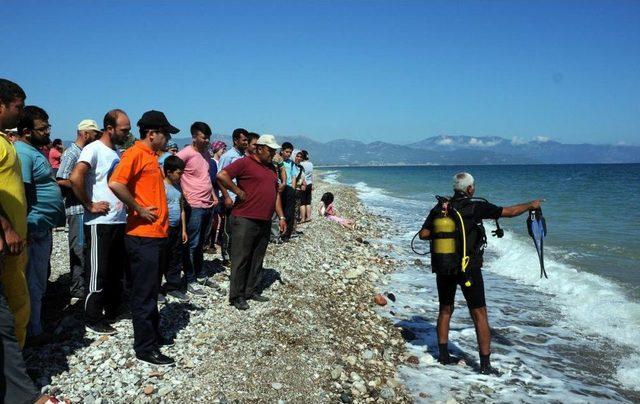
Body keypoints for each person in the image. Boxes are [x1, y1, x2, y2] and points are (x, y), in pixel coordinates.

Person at [418, 172, 543, 375]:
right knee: (479, 315)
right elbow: (510, 212)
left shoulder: (442, 207)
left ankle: (442, 356)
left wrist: (445, 234)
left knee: (445, 310)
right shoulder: (476, 207)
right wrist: (531, 205)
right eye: (472, 186)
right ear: (469, 189)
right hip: (469, 269)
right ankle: (485, 366)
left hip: (445, 266)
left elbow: (424, 234)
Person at [109, 110, 179, 366]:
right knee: (144, 294)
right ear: (152, 134)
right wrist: (138, 208)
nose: (169, 138)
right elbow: (116, 183)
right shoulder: (136, 153)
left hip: (155, 235)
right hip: (143, 237)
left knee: (152, 290)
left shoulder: (151, 156)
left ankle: (153, 335)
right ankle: (145, 348)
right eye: (166, 133)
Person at [70, 109, 130, 335]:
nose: (127, 133)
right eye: (124, 130)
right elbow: (76, 177)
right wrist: (89, 204)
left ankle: (113, 309)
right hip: (99, 222)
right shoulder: (93, 149)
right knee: (98, 270)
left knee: (115, 269)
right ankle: (92, 318)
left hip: (117, 220)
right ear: (110, 128)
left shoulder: (115, 152)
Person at [217, 134, 286, 311]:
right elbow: (222, 175)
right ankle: (236, 296)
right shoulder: (245, 162)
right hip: (245, 218)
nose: (273, 153)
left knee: (257, 257)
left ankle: (251, 290)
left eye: (274, 150)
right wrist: (237, 191)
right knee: (241, 258)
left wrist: (281, 216)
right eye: (270, 150)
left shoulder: (271, 168)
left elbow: (275, 193)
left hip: (265, 219)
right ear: (260, 148)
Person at [15, 106, 65, 344]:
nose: (46, 132)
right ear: (26, 131)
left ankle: (34, 324)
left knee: (39, 278)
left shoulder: (33, 151)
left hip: (41, 227)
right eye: (42, 128)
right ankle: (33, 330)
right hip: (33, 229)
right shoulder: (23, 153)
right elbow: (22, 191)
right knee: (34, 282)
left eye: (48, 127)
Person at [56, 119, 100, 302]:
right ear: (85, 133)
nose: (97, 136)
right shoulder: (72, 153)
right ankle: (77, 287)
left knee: (86, 248)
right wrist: (78, 185)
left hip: (84, 208)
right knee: (79, 249)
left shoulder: (84, 152)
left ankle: (83, 284)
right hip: (76, 209)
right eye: (94, 133)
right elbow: (60, 179)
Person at [0, 78, 30, 348]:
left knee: (18, 304)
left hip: (15, 240)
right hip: (6, 241)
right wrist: (7, 228)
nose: (21, 113)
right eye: (18, 107)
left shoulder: (4, 141)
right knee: (16, 307)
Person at [176, 122, 219, 295]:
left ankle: (200, 274)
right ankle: (190, 278)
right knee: (191, 244)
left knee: (201, 242)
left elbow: (206, 178)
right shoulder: (185, 154)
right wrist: (183, 194)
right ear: (194, 137)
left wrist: (214, 196)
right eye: (203, 137)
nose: (207, 140)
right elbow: (172, 174)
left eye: (208, 137)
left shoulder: (206, 154)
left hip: (208, 204)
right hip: (193, 205)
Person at [160, 155, 189, 303]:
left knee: (175, 258)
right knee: (161, 259)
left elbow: (182, 208)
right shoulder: (162, 187)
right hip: (164, 229)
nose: (180, 176)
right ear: (169, 172)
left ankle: (173, 286)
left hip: (177, 228)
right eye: (179, 173)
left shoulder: (178, 187)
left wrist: (183, 230)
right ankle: (156, 289)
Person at [217, 128, 248, 265]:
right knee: (228, 228)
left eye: (247, 140)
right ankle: (226, 256)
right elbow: (220, 178)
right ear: (236, 140)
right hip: (230, 197)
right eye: (244, 140)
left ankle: (236, 253)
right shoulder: (228, 156)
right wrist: (226, 196)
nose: (246, 142)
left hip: (241, 198)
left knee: (238, 228)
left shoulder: (244, 157)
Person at [278, 142, 297, 240]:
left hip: (289, 189)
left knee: (289, 211)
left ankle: (286, 234)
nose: (288, 154)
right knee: (279, 211)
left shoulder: (291, 163)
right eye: (287, 152)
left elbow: (293, 176)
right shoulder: (277, 160)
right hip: (279, 188)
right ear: (281, 151)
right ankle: (277, 232)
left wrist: (293, 190)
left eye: (290, 152)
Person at [299, 150, 313, 223]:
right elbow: (311, 175)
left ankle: (303, 218)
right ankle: (308, 217)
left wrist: (302, 183)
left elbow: (302, 174)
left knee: (302, 202)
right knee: (308, 202)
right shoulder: (311, 164)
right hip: (310, 183)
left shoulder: (301, 164)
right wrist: (312, 184)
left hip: (303, 184)